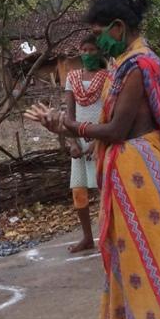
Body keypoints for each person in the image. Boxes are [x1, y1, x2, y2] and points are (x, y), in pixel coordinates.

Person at [25, 0, 160, 319]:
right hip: (128, 169)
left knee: (145, 264)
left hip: (137, 169)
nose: (96, 43)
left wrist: (69, 127)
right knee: (127, 262)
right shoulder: (130, 63)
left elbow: (116, 130)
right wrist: (69, 129)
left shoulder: (138, 65)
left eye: (99, 35)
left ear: (118, 28)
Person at [64, 35, 112, 253]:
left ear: (100, 52)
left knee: (104, 189)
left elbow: (110, 112)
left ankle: (109, 234)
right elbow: (69, 114)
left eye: (92, 50)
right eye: (84, 49)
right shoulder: (72, 77)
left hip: (101, 136)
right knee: (79, 190)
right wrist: (73, 141)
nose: (88, 54)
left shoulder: (108, 77)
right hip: (79, 138)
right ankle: (87, 237)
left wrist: (99, 140)